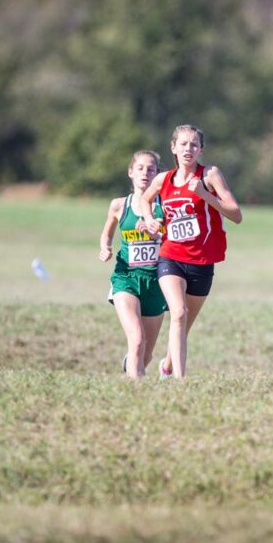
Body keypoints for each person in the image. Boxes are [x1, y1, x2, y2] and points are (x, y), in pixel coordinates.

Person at [140, 125, 242, 379]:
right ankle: (181, 382)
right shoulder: (163, 179)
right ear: (173, 147)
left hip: (202, 261)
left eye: (194, 144)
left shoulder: (209, 175)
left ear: (201, 150)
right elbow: (145, 199)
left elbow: (236, 215)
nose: (189, 149)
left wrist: (205, 195)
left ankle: (167, 366)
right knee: (178, 313)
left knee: (183, 326)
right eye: (183, 144)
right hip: (170, 256)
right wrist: (149, 218)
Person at [99, 150, 167, 378]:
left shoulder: (165, 207)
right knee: (137, 340)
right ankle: (135, 392)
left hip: (156, 283)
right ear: (131, 172)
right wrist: (105, 247)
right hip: (125, 278)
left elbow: (172, 241)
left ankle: (132, 365)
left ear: (158, 174)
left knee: (145, 355)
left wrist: (155, 234)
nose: (145, 173)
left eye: (151, 169)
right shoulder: (119, 205)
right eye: (140, 168)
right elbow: (107, 233)